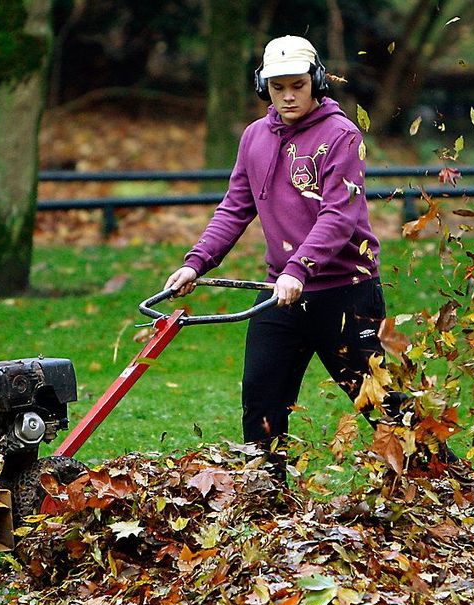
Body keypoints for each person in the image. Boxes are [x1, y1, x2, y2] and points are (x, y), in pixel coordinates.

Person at [164, 35, 402, 477]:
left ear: (315, 83)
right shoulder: (255, 137)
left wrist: (299, 268)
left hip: (345, 295)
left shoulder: (341, 136)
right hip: (281, 293)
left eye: (297, 85)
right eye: (277, 88)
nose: (288, 96)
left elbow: (339, 216)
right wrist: (195, 262)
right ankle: (267, 501)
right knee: (262, 401)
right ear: (263, 88)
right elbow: (235, 207)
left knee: (380, 401)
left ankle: (434, 485)